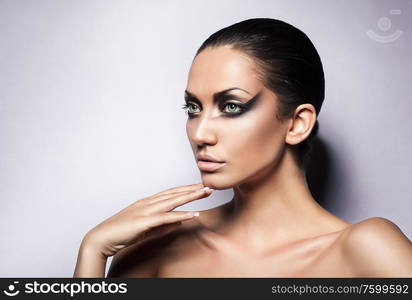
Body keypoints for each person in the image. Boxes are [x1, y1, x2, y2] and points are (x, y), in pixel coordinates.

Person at [73, 18, 412, 278]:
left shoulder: (366, 249)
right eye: (193, 108)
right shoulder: (155, 247)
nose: (200, 133)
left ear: (297, 124)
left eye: (231, 106)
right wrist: (92, 250)